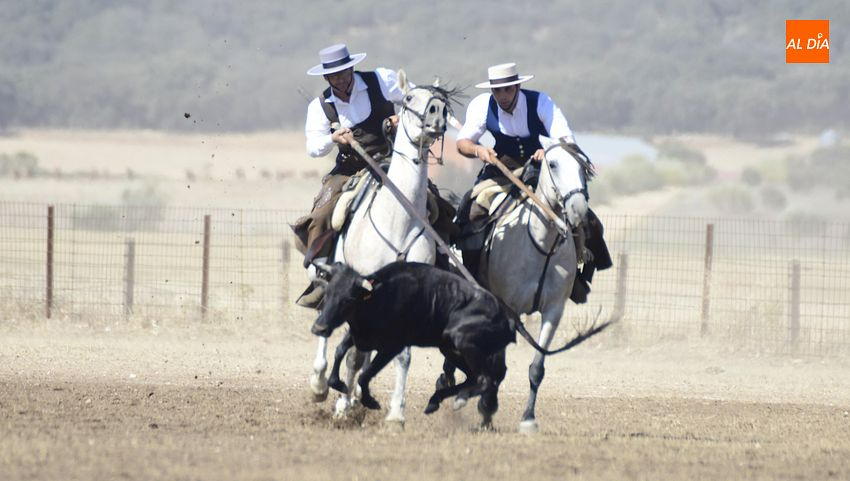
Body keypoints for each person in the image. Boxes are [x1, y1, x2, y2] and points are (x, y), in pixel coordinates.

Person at [453, 62, 611, 301]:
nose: (502, 96)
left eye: (507, 89)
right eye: (497, 90)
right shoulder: (482, 105)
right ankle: (474, 282)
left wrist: (548, 150)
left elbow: (565, 138)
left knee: (582, 215)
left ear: (517, 86)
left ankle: (578, 277)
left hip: (541, 169)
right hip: (502, 168)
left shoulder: (541, 103)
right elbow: (462, 142)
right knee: (471, 210)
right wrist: (478, 151)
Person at [292, 43, 407, 266]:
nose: (341, 80)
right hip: (349, 169)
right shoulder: (320, 106)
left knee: (432, 203)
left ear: (351, 68)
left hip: (392, 162)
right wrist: (333, 139)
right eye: (334, 76)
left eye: (343, 73)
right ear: (326, 78)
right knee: (321, 216)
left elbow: (416, 99)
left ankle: (444, 263)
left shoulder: (382, 80)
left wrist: (401, 118)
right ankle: (321, 273)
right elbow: (313, 147)